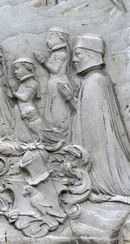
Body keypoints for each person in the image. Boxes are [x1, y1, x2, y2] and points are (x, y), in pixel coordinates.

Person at [59, 34, 130, 202]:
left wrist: (70, 98)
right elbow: (87, 115)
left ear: (91, 55)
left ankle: (100, 182)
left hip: (99, 155)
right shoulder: (92, 79)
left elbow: (93, 125)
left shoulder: (95, 80)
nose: (74, 61)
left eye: (78, 55)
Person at [34, 28, 72, 130]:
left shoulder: (61, 54)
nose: (47, 41)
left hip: (58, 84)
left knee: (58, 108)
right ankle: (55, 128)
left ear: (61, 38)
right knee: (52, 107)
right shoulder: (56, 53)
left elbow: (55, 70)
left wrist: (43, 61)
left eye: (50, 37)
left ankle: (61, 127)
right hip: (53, 83)